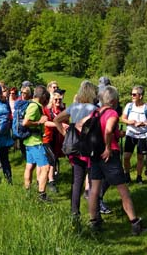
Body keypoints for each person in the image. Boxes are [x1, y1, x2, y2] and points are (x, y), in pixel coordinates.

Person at [88, 85, 147, 235]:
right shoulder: (112, 113)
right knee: (123, 190)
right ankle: (135, 224)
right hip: (109, 155)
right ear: (113, 100)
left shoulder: (95, 112)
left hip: (94, 154)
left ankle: (94, 222)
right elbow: (108, 130)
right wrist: (108, 147)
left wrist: (118, 133)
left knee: (94, 190)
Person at [53, 80, 98, 222]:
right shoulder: (94, 109)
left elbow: (56, 120)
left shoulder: (73, 107)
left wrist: (65, 133)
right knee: (92, 182)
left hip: (74, 148)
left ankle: (74, 212)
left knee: (77, 180)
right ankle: (94, 215)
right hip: (90, 148)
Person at [22, 85, 52, 202]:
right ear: (43, 96)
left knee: (30, 166)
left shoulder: (31, 104)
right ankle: (42, 195)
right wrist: (39, 122)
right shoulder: (34, 107)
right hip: (35, 142)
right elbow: (25, 122)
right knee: (46, 167)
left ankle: (27, 192)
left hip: (29, 141)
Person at [121, 85, 147, 184]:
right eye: (132, 94)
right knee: (126, 157)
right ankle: (127, 175)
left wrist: (144, 123)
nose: (132, 96)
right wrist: (129, 122)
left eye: (134, 94)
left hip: (143, 135)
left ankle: (139, 177)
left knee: (140, 157)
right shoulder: (129, 106)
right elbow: (123, 118)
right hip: (130, 134)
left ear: (141, 96)